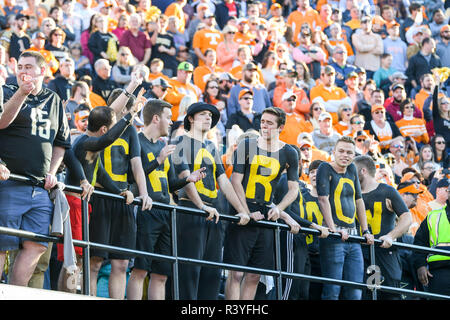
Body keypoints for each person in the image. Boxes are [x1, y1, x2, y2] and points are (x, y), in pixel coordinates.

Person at [71, 71, 148, 298]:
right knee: (91, 261)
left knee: (121, 263)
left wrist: (129, 193)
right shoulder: (93, 134)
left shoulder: (130, 132)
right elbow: (107, 132)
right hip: (93, 200)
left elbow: (122, 168)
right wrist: (132, 86)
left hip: (117, 199)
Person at [0, 51, 71, 287]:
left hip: (40, 187)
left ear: (42, 71)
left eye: (28, 67)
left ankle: (15, 292)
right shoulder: (7, 91)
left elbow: (61, 143)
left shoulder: (54, 101)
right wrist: (21, 93)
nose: (22, 71)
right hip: (9, 181)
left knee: (38, 245)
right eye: (19, 66)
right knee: (2, 244)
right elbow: (1, 122)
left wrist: (52, 171)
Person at [125, 99, 206, 300]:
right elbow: (132, 176)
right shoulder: (137, 140)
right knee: (140, 270)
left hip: (166, 211)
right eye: (168, 118)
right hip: (145, 209)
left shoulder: (163, 145)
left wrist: (188, 179)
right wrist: (158, 160)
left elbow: (170, 184)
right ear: (155, 118)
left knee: (162, 274)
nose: (171, 122)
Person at [171, 102, 250, 300]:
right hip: (190, 211)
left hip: (213, 214)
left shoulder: (211, 146)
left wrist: (242, 210)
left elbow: (223, 181)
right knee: (189, 271)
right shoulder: (181, 141)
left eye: (211, 116)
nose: (209, 118)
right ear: (190, 118)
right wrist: (201, 206)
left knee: (212, 273)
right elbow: (185, 178)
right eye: (203, 114)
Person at [223, 107, 301, 300]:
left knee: (254, 275)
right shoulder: (247, 145)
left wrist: (279, 208)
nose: (264, 126)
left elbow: (294, 189)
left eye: (269, 123)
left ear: (281, 127)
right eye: (263, 121)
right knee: (236, 272)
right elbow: (235, 180)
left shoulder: (289, 152)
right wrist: (246, 212)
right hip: (242, 208)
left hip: (266, 211)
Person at [316, 136, 374, 300]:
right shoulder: (325, 168)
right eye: (341, 151)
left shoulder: (352, 170)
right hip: (334, 238)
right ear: (333, 152)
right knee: (332, 291)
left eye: (349, 152)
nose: (345, 155)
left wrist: (365, 230)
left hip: (353, 237)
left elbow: (359, 200)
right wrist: (333, 229)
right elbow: (323, 199)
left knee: (355, 292)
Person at [353, 155, 412, 300]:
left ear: (363, 171)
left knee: (388, 295)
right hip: (359, 253)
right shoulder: (351, 193)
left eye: (353, 171)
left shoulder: (387, 191)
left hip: (385, 253)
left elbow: (406, 217)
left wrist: (391, 236)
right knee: (362, 295)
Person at [412, 182, 450, 296]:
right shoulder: (433, 216)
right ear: (448, 193)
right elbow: (419, 243)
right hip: (439, 272)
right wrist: (420, 265)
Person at [352, 15, 384, 79]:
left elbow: (380, 50)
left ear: (371, 24)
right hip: (361, 68)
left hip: (374, 68)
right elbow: (360, 48)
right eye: (364, 22)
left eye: (368, 22)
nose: (366, 24)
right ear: (360, 24)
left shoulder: (377, 37)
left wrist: (365, 48)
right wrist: (373, 45)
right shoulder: (356, 36)